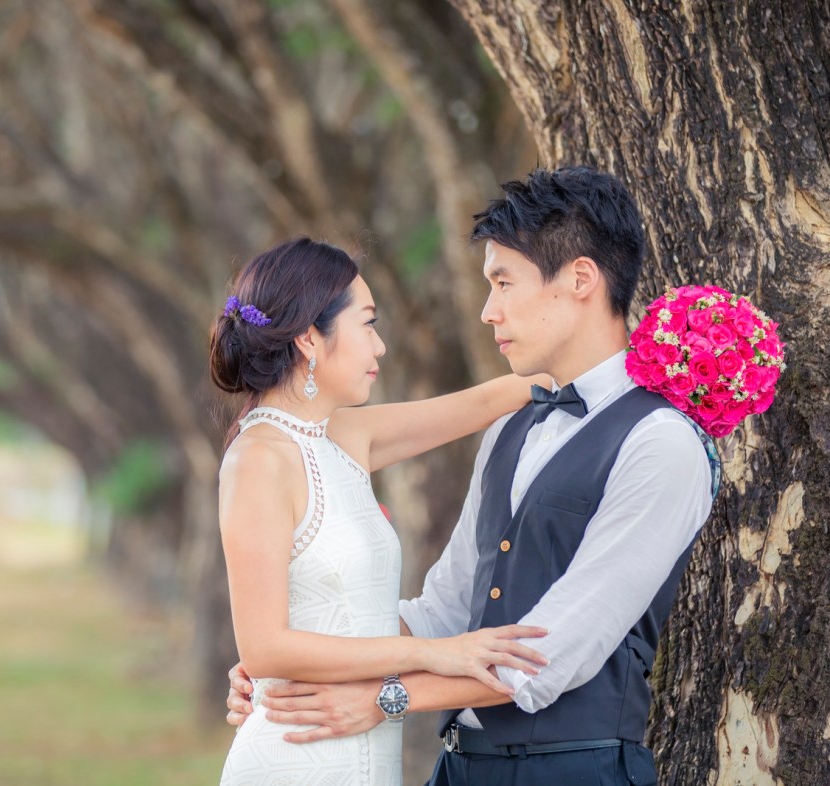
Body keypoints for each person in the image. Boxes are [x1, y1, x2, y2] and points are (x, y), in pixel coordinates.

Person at [226, 168, 720, 785]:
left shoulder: (661, 442)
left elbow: (558, 650)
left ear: (581, 279)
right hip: (460, 767)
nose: (488, 312)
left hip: (572, 770)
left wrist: (386, 695)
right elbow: (448, 607)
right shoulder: (512, 430)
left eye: (504, 282)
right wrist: (297, 660)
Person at [210, 237, 556, 786]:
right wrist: (433, 653)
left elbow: (488, 401)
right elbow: (264, 645)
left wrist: (648, 368)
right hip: (296, 759)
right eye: (367, 325)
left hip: (365, 757)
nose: (380, 347)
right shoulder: (259, 458)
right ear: (308, 339)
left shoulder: (343, 436)